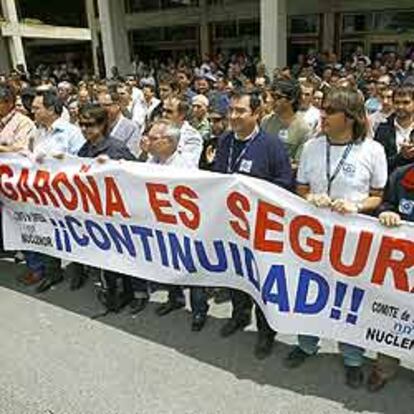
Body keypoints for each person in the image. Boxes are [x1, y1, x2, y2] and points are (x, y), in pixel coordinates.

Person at [287, 87, 388, 389]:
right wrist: (311, 198)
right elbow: (300, 189)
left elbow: (378, 196)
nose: (323, 115)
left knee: (348, 299)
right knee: (310, 293)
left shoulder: (373, 151)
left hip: (353, 241)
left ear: (351, 117)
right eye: (323, 108)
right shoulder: (312, 147)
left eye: (330, 110)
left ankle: (353, 357)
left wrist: (356, 205)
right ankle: (306, 343)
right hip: (314, 239)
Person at [214, 89, 293, 360]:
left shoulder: (272, 146)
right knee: (235, 275)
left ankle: (265, 330)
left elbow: (285, 186)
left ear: (257, 114)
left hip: (261, 227)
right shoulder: (225, 141)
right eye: (231, 110)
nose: (233, 116)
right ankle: (239, 315)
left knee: (259, 281)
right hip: (230, 225)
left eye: (240, 111)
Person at [77, 103, 148, 313]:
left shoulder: (116, 148)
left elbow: (137, 174)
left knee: (128, 255)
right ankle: (115, 293)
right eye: (81, 124)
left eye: (90, 125)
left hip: (120, 211)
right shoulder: (85, 148)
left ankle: (138, 294)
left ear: (103, 125)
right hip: (98, 211)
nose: (84, 129)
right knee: (107, 256)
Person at [145, 119, 209, 331]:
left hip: (186, 229)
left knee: (192, 271)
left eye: (153, 138)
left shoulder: (185, 168)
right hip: (162, 226)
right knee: (167, 264)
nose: (148, 141)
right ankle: (175, 298)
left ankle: (199, 309)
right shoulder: (152, 161)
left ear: (169, 142)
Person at [28, 90, 86, 292]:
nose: (32, 111)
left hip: (67, 194)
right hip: (43, 195)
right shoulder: (37, 133)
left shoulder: (71, 132)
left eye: (36, 108)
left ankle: (78, 270)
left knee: (71, 232)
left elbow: (81, 162)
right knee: (47, 232)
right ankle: (53, 273)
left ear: (51, 109)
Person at [261, 79, 311, 168]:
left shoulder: (303, 129)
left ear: (291, 99)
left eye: (276, 97)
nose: (270, 100)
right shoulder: (266, 121)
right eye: (270, 96)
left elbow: (299, 164)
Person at [375, 85, 414, 174]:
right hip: (392, 184)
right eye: (397, 102)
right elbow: (378, 164)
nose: (400, 106)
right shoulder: (383, 129)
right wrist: (401, 156)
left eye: (406, 102)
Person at [98, 89, 141, 157]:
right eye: (99, 106)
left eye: (106, 105)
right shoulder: (97, 127)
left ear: (118, 105)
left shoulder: (132, 128)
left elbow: (132, 154)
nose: (102, 109)